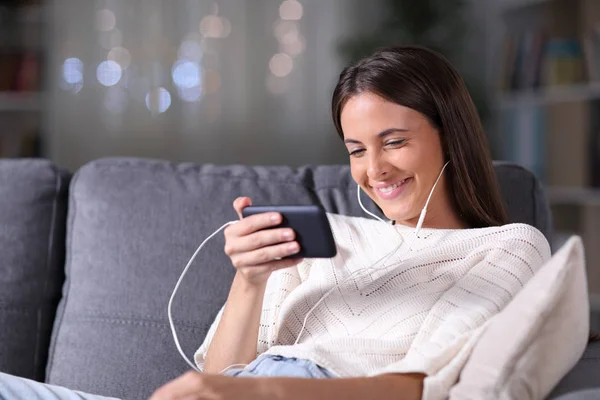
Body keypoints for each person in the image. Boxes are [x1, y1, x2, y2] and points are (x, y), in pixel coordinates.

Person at [0, 46, 551, 400]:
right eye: (356, 149)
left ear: (450, 135)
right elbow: (220, 376)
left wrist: (269, 393)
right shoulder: (321, 239)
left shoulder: (507, 248)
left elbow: (427, 385)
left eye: (395, 142)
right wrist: (251, 280)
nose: (374, 170)